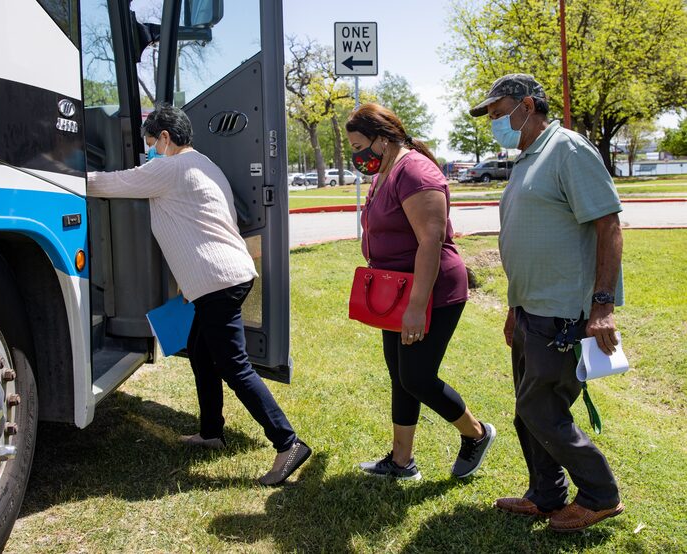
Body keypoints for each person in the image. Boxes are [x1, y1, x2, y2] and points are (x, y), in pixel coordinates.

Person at [87, 104, 310, 486]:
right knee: (202, 353)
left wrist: (62, 178)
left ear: (165, 138)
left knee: (234, 366)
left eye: (151, 142)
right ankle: (211, 432)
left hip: (217, 280)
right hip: (226, 276)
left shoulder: (168, 168)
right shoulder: (205, 164)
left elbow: (110, 183)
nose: (149, 150)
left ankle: (288, 442)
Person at [469, 73, 625, 532]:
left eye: (500, 113)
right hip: (531, 310)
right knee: (527, 409)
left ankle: (600, 494)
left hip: (564, 313)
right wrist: (514, 308)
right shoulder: (525, 160)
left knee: (542, 410)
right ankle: (546, 494)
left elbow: (609, 226)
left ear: (529, 105)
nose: (495, 123)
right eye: (492, 116)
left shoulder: (568, 149)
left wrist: (602, 306)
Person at [345, 103, 496, 481]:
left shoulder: (415, 171)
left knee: (417, 376)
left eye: (359, 144)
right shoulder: (386, 170)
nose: (356, 154)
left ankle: (476, 434)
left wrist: (415, 308)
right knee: (400, 375)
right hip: (396, 289)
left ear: (382, 140)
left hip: (432, 291)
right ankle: (401, 461)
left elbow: (430, 243)